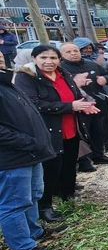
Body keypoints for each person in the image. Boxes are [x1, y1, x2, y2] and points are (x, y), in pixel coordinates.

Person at [15, 45, 99, 223]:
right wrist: (70, 107)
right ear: (34, 59)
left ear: (59, 60)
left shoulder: (64, 74)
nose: (48, 62)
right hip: (48, 132)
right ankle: (45, 207)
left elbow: (75, 95)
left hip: (70, 128)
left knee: (69, 164)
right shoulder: (27, 77)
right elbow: (33, 104)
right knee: (50, 170)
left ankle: (67, 196)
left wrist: (85, 105)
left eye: (53, 58)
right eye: (43, 58)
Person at [0, 54, 60, 250]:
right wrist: (27, 141)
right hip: (13, 157)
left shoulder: (7, 83)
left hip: (31, 153)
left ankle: (34, 233)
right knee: (14, 204)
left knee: (33, 195)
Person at [60, 42, 108, 167]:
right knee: (82, 134)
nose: (73, 54)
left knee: (98, 130)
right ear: (62, 55)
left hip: (97, 103)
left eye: (75, 51)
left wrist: (105, 79)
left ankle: (99, 155)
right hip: (77, 106)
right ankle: (84, 161)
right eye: (68, 52)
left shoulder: (91, 65)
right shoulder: (61, 69)